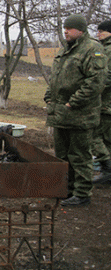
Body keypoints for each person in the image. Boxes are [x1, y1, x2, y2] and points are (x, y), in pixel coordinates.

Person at [44, 14, 107, 206]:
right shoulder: (66, 51)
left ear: (80, 30)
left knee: (80, 155)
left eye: (69, 28)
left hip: (80, 114)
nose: (65, 31)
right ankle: (67, 189)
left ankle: (82, 193)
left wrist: (74, 102)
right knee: (62, 156)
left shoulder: (92, 49)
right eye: (64, 28)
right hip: (61, 114)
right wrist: (49, 96)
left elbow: (95, 81)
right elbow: (56, 78)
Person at [92, 19, 111, 184]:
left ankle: (107, 168)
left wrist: (92, 88)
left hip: (106, 103)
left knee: (95, 135)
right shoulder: (103, 48)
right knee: (106, 138)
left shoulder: (108, 50)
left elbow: (107, 76)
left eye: (101, 31)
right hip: (104, 103)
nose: (98, 34)